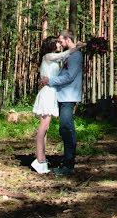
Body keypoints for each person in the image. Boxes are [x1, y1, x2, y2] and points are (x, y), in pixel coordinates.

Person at [31, 35, 84, 174]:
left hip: (52, 93)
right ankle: (40, 161)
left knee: (45, 128)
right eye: (57, 43)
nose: (59, 44)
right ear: (51, 45)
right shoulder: (48, 56)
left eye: (60, 42)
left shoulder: (53, 57)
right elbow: (66, 54)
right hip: (48, 93)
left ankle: (42, 159)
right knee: (43, 128)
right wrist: (77, 47)